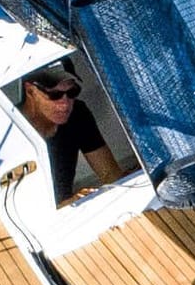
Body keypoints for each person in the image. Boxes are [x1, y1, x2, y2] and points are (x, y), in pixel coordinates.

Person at [17, 61, 122, 204]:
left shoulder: (77, 114)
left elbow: (110, 174)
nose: (65, 104)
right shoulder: (10, 131)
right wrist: (63, 206)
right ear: (30, 91)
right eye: (54, 95)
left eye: (72, 92)